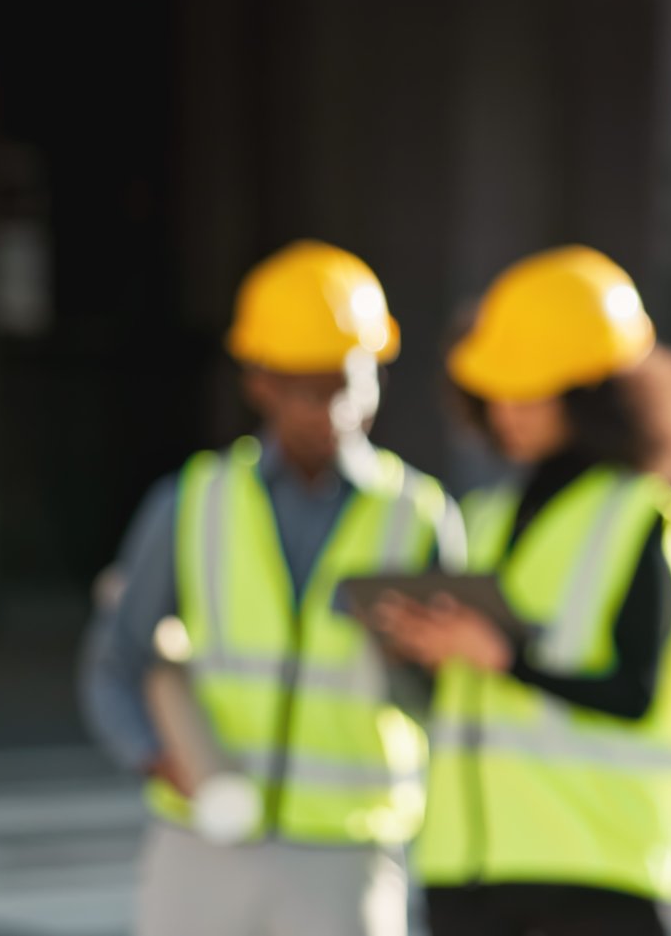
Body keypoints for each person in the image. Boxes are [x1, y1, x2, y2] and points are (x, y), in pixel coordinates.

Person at [79, 241, 456, 936]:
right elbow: (118, 661)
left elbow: (449, 701)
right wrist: (158, 757)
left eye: (349, 382)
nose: (333, 410)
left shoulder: (420, 515)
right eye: (309, 387)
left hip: (348, 848)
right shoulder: (192, 502)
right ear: (261, 381)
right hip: (203, 841)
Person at [371, 246, 671, 936]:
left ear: (595, 394)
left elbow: (637, 693)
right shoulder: (485, 518)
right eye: (498, 389)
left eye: (531, 390)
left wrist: (503, 656)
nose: (508, 410)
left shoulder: (641, 516)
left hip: (597, 873)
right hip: (465, 870)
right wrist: (425, 650)